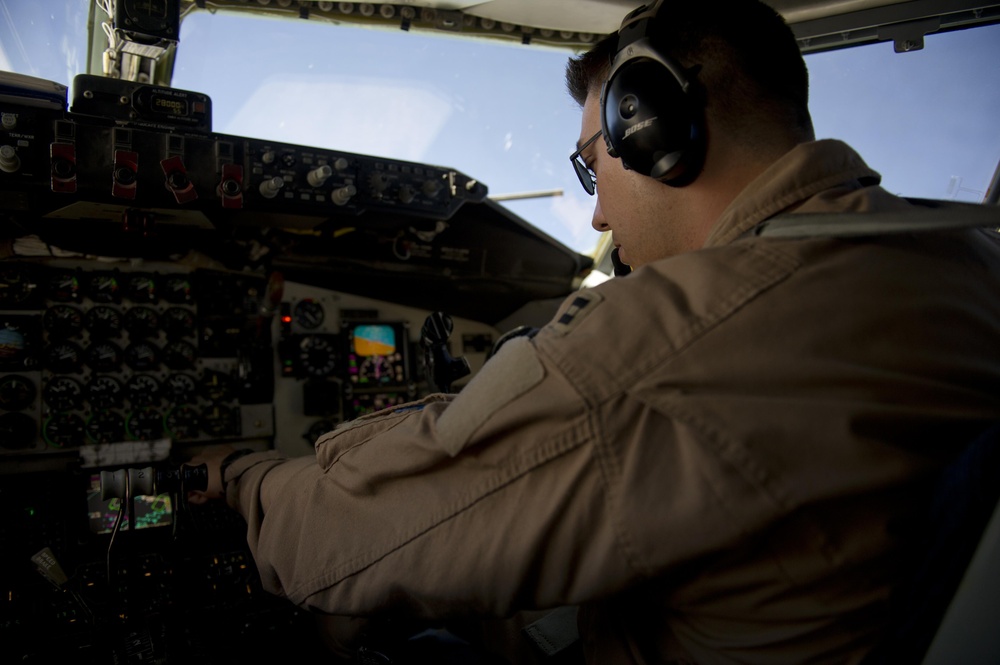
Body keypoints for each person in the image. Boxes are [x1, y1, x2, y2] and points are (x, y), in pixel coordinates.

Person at [189, 1, 1000, 663]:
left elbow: (342, 541)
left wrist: (240, 474)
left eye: (591, 164)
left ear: (648, 127)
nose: (599, 215)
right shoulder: (963, 259)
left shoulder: (676, 336)